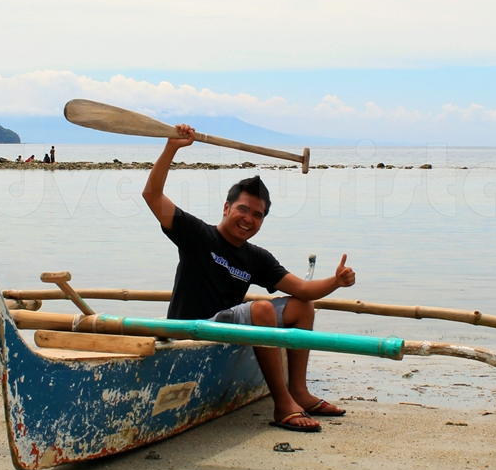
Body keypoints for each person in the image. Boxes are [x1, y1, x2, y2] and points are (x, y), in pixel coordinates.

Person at [142, 124, 355, 432]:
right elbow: (152, 195)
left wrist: (335, 281)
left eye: (257, 215)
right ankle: (282, 405)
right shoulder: (198, 235)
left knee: (302, 306)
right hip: (191, 330)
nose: (248, 219)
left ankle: (298, 391)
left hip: (227, 330)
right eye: (243, 209)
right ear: (227, 208)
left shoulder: (257, 257)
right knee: (262, 309)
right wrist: (172, 148)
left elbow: (304, 290)